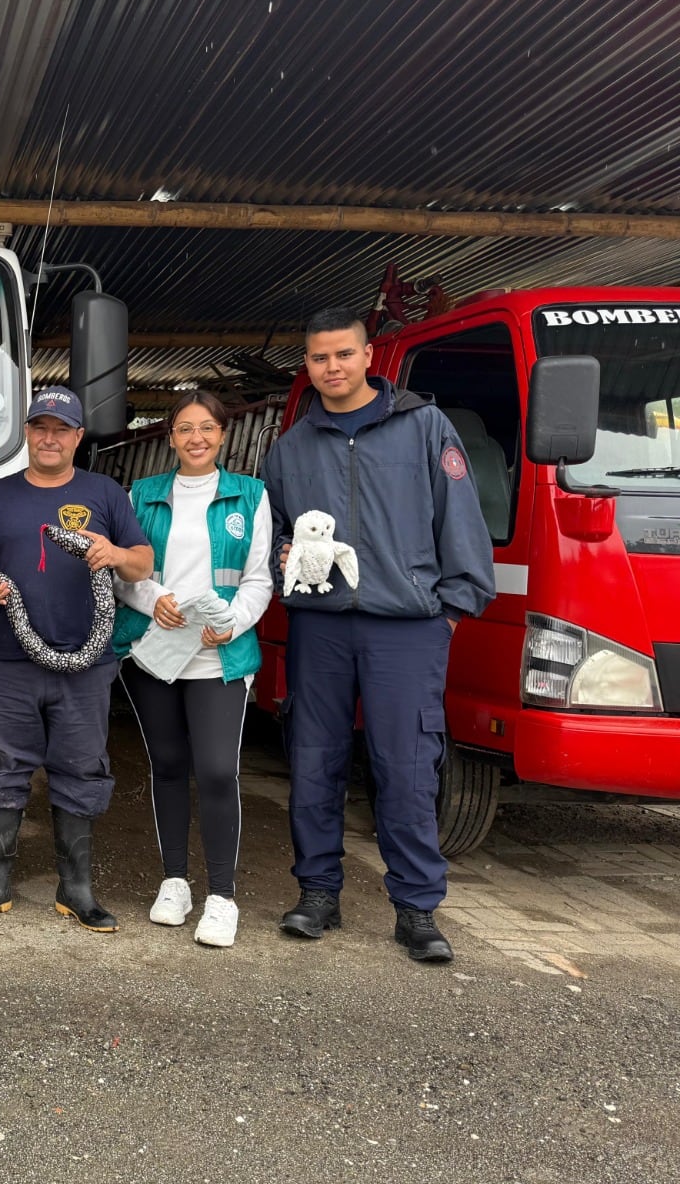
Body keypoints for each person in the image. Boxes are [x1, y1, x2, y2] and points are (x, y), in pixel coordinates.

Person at [261, 307, 495, 963]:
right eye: (319, 358)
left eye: (344, 354)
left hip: (408, 629)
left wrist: (450, 611)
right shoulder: (291, 449)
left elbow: (460, 519)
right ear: (307, 366)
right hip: (321, 628)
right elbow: (272, 532)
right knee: (315, 760)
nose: (332, 367)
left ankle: (417, 909)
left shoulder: (425, 428)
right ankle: (317, 894)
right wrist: (282, 556)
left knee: (407, 766)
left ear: (369, 357)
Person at [0, 386, 152, 933]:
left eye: (61, 429)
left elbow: (142, 562)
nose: (49, 438)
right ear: (26, 432)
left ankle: (77, 889)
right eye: (40, 427)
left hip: (86, 665)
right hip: (6, 660)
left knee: (82, 770)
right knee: (0, 769)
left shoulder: (104, 492)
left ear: (78, 437)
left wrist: (116, 553)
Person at [112, 391, 273, 948]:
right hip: (154, 651)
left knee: (216, 770)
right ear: (171, 436)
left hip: (217, 654)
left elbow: (258, 578)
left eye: (206, 427)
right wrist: (152, 597)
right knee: (168, 765)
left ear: (222, 434)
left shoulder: (250, 495)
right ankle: (175, 882)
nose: (196, 438)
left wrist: (233, 622)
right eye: (185, 428)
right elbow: (124, 571)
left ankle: (222, 896)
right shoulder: (142, 494)